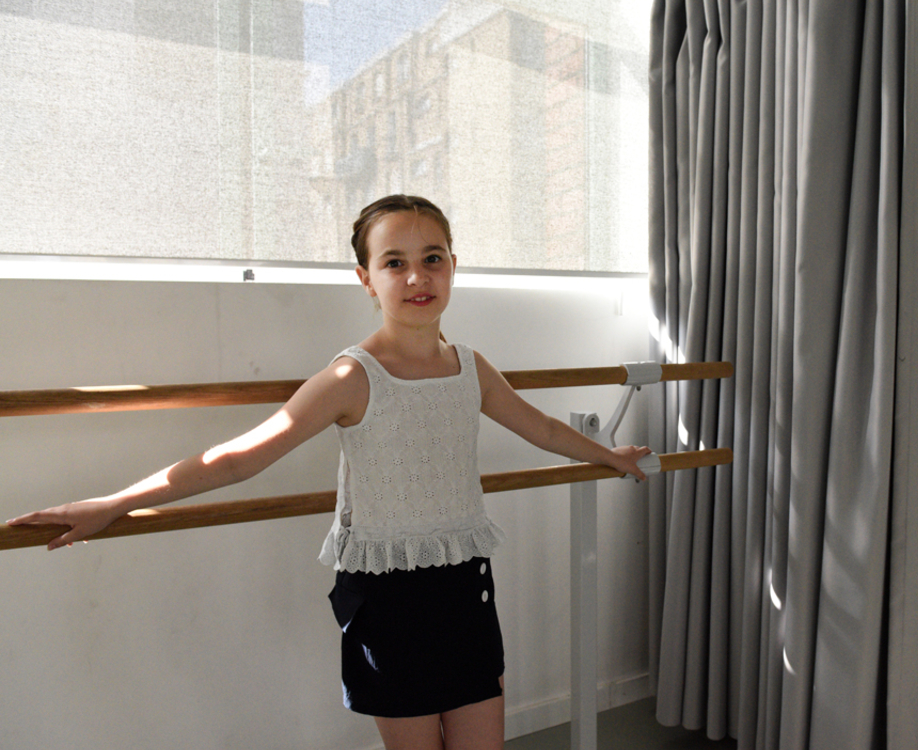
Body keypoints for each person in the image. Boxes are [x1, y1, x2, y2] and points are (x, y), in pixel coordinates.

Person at [6, 194, 653, 750]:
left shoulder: (472, 368)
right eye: (393, 262)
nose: (416, 275)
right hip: (387, 596)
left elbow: (539, 427)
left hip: (464, 583)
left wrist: (611, 456)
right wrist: (114, 503)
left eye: (432, 257)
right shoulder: (352, 377)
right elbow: (239, 456)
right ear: (366, 278)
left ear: (454, 266)